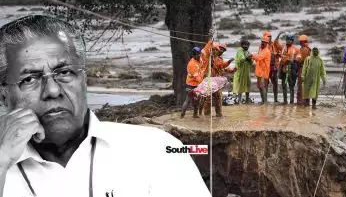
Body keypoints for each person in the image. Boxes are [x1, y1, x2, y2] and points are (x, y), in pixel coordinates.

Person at [0, 15, 210, 197]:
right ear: (3, 96)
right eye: (29, 79)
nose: (53, 91)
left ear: (84, 79)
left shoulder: (157, 149)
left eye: (64, 73)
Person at [201, 44, 234, 117]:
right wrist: (229, 62)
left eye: (223, 50)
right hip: (209, 80)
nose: (222, 51)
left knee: (218, 98)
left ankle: (219, 114)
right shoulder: (210, 58)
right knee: (208, 99)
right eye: (221, 49)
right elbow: (219, 65)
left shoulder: (220, 58)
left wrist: (232, 70)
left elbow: (222, 68)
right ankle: (207, 114)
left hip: (217, 82)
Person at [181, 46, 203, 118]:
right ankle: (182, 115)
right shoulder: (192, 64)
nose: (199, 55)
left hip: (197, 84)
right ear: (193, 55)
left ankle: (195, 114)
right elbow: (197, 77)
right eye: (197, 54)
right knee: (188, 100)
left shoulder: (200, 60)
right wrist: (204, 83)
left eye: (200, 53)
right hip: (191, 84)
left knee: (197, 99)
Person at [250, 33, 271, 104]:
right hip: (259, 69)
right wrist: (253, 58)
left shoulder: (266, 51)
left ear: (267, 43)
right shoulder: (260, 49)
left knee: (262, 86)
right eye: (262, 42)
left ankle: (264, 101)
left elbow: (259, 57)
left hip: (264, 70)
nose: (263, 43)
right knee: (259, 85)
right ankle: (263, 100)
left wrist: (251, 55)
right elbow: (258, 57)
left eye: (264, 42)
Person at [279, 34, 300, 104]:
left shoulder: (296, 49)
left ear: (292, 41)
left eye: (290, 40)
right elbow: (275, 44)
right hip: (283, 68)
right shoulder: (283, 47)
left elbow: (298, 58)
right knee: (284, 85)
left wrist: (295, 59)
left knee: (291, 86)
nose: (289, 41)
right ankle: (285, 101)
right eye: (288, 40)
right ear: (286, 40)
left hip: (292, 69)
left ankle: (291, 101)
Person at [264, 31, 283, 103]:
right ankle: (265, 99)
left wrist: (278, 54)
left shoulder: (273, 44)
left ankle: (275, 99)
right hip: (266, 67)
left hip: (274, 66)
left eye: (270, 36)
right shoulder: (263, 45)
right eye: (268, 36)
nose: (269, 38)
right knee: (265, 83)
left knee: (275, 83)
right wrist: (273, 54)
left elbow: (279, 46)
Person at [232, 38, 252, 104]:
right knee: (240, 86)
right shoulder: (239, 50)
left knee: (247, 85)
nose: (246, 46)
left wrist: (250, 59)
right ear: (242, 45)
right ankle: (239, 101)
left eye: (247, 45)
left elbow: (251, 62)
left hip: (247, 72)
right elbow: (241, 59)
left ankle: (247, 100)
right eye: (245, 45)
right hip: (240, 71)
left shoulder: (248, 52)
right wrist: (247, 58)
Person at [296, 35, 312, 106]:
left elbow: (301, 60)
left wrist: (296, 59)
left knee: (301, 86)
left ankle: (301, 102)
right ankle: (306, 102)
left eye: (300, 41)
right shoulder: (308, 49)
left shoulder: (304, 49)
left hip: (303, 69)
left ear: (303, 41)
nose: (299, 43)